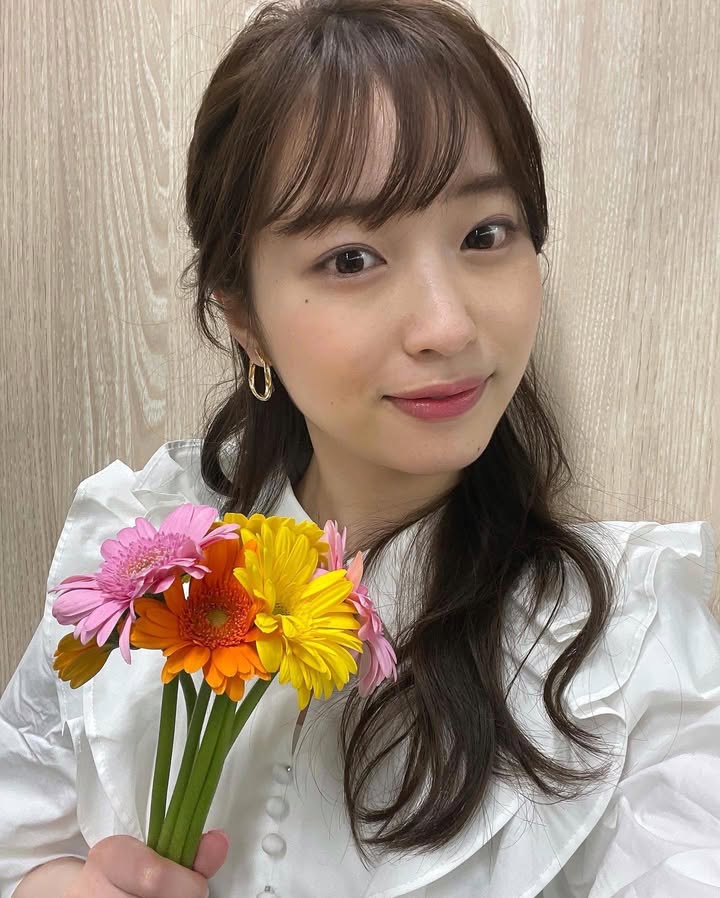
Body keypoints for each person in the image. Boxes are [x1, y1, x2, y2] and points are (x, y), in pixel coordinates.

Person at [2, 0, 720, 895]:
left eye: (484, 234)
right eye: (351, 258)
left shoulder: (628, 636)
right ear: (243, 316)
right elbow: (20, 833)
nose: (447, 326)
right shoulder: (139, 549)